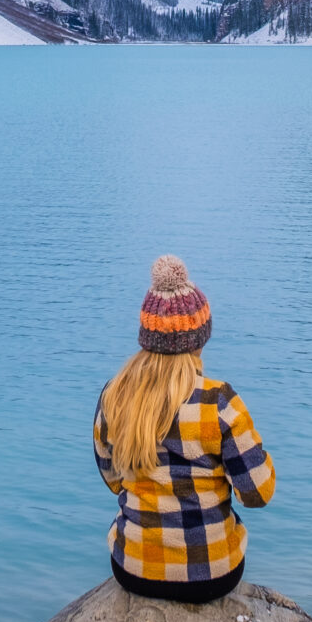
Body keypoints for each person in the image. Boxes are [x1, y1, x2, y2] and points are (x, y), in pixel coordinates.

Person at [92, 255, 274, 604]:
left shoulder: (113, 395)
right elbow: (258, 493)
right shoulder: (219, 401)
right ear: (199, 339)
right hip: (212, 573)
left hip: (133, 569)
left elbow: (113, 478)